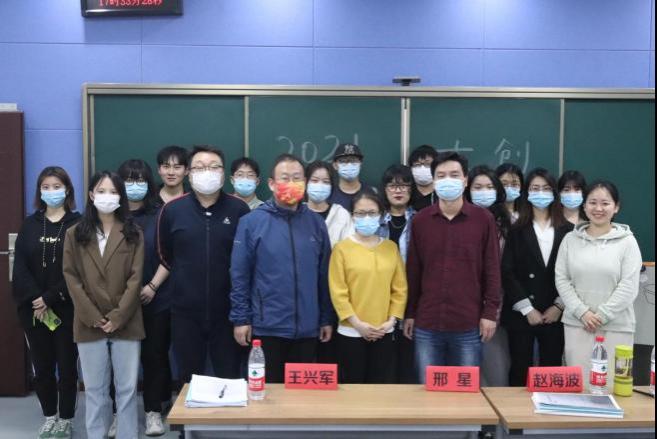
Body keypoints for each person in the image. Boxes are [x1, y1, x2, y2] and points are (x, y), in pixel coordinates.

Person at [230, 154, 334, 383]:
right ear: (271, 183)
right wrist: (241, 319)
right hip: (267, 328)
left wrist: (325, 317)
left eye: (297, 178)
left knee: (301, 396)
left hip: (308, 328)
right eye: (285, 178)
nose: (291, 183)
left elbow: (324, 275)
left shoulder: (316, 223)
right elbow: (240, 276)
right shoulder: (252, 222)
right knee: (268, 394)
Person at [404, 152, 501, 383]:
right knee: (428, 389)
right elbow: (414, 271)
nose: (447, 180)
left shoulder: (483, 219)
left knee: (466, 390)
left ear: (465, 180)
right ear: (434, 181)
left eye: (454, 175)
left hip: (468, 323)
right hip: (427, 323)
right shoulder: (420, 221)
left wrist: (490, 313)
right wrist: (410, 313)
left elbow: (492, 269)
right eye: (441, 175)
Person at [157, 146, 250, 384]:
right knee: (188, 381)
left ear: (223, 173)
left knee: (230, 378)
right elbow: (165, 254)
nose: (207, 172)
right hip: (185, 313)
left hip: (228, 313)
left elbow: (247, 260)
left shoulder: (239, 209)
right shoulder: (173, 210)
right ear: (189, 174)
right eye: (199, 167)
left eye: (213, 167)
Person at [62, 171, 144, 439]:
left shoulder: (133, 232)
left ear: (121, 197)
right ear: (90, 195)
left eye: (113, 191)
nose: (107, 197)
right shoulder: (75, 233)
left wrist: (118, 316)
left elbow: (136, 278)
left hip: (127, 320)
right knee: (95, 390)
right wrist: (93, 315)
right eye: (101, 191)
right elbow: (71, 276)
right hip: (89, 322)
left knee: (127, 389)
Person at [12, 167, 80, 439]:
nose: (52, 191)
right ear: (39, 191)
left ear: (67, 190)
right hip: (34, 311)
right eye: (46, 187)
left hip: (67, 309)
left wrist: (50, 297)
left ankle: (66, 419)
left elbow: (79, 270)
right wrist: (36, 299)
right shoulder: (30, 224)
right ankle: (50, 416)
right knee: (42, 368)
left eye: (57, 186)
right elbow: (20, 268)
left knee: (67, 367)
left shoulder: (78, 224)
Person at [556, 181, 642, 391]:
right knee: (579, 388)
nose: (598, 208)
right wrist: (583, 313)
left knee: (613, 388)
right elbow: (562, 279)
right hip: (578, 325)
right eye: (592, 202)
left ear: (616, 207)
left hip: (616, 327)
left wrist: (601, 315)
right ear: (584, 206)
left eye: (605, 203)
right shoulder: (570, 240)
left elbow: (629, 286)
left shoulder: (628, 242)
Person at [501, 168, 572, 386]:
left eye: (546, 188)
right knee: (519, 369)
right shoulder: (516, 229)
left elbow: (574, 272)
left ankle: (549, 408)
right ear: (527, 192)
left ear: (554, 193)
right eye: (535, 188)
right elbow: (507, 271)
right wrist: (527, 309)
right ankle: (515, 410)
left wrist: (558, 306)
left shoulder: (568, 230)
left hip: (555, 312)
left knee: (551, 370)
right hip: (522, 312)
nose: (540, 193)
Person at [329, 190, 407, 384]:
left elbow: (399, 289)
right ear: (352, 216)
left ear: (381, 215)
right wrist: (357, 324)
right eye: (360, 213)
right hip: (351, 331)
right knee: (352, 387)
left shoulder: (390, 248)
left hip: (384, 330)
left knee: (380, 387)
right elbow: (338, 291)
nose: (366, 218)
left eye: (372, 213)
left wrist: (391, 321)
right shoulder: (341, 249)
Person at [118, 159, 172, 436]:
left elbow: (170, 255)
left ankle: (153, 412)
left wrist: (152, 286)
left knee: (154, 357)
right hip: (117, 302)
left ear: (149, 183)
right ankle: (119, 414)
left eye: (140, 180)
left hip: (155, 297)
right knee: (119, 362)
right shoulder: (111, 214)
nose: (134, 186)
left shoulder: (161, 214)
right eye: (129, 180)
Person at [465, 165, 512, 387]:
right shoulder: (459, 222)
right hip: (464, 310)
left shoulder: (509, 224)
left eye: (489, 187)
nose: (484, 192)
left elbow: (506, 271)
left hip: (498, 311)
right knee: (467, 376)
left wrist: (492, 311)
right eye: (478, 187)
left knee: (496, 374)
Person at [379, 165, 416, 383]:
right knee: (383, 368)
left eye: (403, 185)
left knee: (407, 369)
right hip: (379, 303)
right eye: (392, 185)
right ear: (384, 190)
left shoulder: (421, 221)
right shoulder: (373, 221)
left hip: (411, 303)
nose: (398, 190)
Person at [305, 160, 353, 248]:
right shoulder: (296, 212)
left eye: (326, 182)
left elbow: (349, 249)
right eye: (314, 180)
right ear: (305, 182)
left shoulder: (341, 215)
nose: (320, 185)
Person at [329, 143, 372, 210]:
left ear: (360, 164)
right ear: (335, 165)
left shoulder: (371, 193)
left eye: (353, 160)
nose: (349, 164)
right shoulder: (328, 195)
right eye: (343, 161)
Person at [409, 145, 438, 211]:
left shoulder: (442, 192)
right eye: (417, 165)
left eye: (427, 164)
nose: (422, 168)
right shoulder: (407, 194)